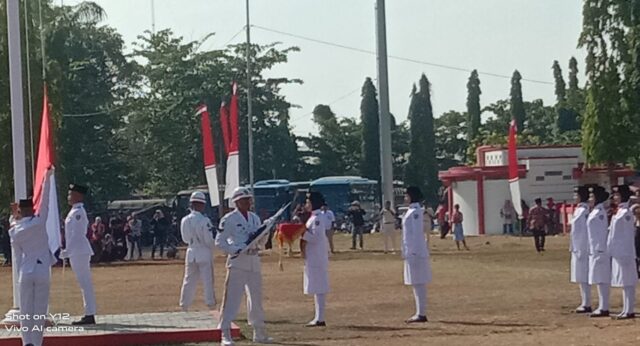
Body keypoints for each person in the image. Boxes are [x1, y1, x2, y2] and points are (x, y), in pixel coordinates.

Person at [215, 187, 272, 346]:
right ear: (237, 201)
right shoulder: (229, 219)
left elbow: (260, 242)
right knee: (231, 299)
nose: (248, 202)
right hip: (238, 262)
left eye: (249, 199)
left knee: (256, 299)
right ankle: (225, 333)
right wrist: (234, 249)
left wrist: (266, 231)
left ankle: (259, 331)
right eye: (245, 199)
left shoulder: (254, 217)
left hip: (254, 261)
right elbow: (220, 241)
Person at [8, 170, 56, 346]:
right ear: (32, 209)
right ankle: (36, 343)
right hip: (42, 270)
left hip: (25, 272)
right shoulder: (39, 222)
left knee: (25, 311)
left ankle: (26, 342)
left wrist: (14, 216)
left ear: (21, 211)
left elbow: (16, 252)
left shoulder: (15, 230)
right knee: (39, 312)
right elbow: (45, 203)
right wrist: (47, 179)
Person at [60, 183, 97, 325]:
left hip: (79, 251)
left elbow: (76, 235)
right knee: (84, 282)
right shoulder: (74, 211)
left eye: (71, 194)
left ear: (78, 196)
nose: (68, 197)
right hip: (76, 251)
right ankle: (89, 313)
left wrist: (67, 252)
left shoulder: (78, 212)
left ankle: (89, 314)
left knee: (85, 283)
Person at [179, 192, 216, 311]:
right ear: (202, 205)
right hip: (204, 251)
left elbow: (185, 239)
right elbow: (208, 240)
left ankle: (184, 304)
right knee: (208, 280)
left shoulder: (184, 220)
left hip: (191, 251)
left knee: (188, 280)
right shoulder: (205, 220)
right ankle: (210, 304)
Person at [401, 186, 432, 323]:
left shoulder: (415, 212)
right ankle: (420, 311)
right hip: (412, 251)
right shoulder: (412, 211)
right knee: (415, 282)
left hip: (416, 252)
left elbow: (416, 233)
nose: (405, 198)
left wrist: (413, 252)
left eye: (406, 195)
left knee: (418, 282)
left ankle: (421, 313)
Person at [607, 185, 638, 320]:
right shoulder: (619, 211)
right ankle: (626, 309)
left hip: (625, 251)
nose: (615, 198)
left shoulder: (626, 213)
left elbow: (627, 234)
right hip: (619, 250)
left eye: (617, 195)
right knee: (624, 282)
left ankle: (629, 309)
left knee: (628, 281)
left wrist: (625, 251)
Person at [301, 192, 330, 327]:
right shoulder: (313, 217)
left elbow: (316, 237)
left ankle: (320, 317)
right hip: (313, 255)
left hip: (317, 255)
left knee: (319, 285)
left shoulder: (317, 218)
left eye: (308, 202)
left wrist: (302, 233)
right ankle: (318, 316)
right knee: (316, 285)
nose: (306, 204)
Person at [586, 186, 611, 318]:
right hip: (595, 249)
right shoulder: (595, 211)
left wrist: (600, 249)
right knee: (598, 278)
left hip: (599, 249)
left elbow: (601, 232)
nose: (590, 199)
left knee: (602, 279)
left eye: (592, 197)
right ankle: (602, 306)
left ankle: (604, 306)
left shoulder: (599, 213)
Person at [569, 186, 592, 313]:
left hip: (582, 247)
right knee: (580, 276)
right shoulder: (579, 210)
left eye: (576, 194)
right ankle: (584, 301)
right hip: (577, 247)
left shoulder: (584, 211)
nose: (574, 197)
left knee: (584, 275)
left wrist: (583, 247)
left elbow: (584, 231)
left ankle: (587, 302)